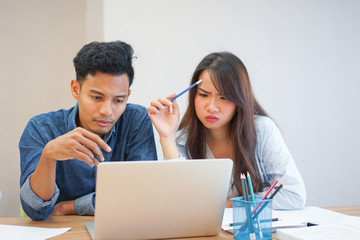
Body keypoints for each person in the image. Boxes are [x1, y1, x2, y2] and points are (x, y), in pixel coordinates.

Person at [147, 52, 306, 210]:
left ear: (239, 100)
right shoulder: (184, 139)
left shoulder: (262, 129)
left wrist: (231, 204)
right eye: (203, 95)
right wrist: (167, 137)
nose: (212, 107)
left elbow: (293, 195)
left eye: (224, 97)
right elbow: (178, 202)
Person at [19, 41, 157, 221]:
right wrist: (48, 156)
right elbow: (35, 210)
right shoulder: (41, 128)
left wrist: (69, 207)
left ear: (127, 96)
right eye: (97, 97)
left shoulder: (135, 120)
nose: (107, 111)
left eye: (118, 100)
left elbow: (142, 197)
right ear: (76, 90)